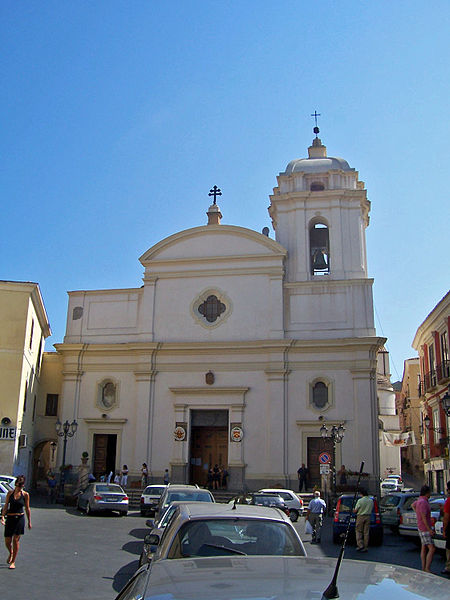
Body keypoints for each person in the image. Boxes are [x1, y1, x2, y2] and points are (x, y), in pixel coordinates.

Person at [1, 475, 32, 569]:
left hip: (19, 518)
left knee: (15, 540)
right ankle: (11, 552)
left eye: (20, 486)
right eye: (17, 486)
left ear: (23, 485)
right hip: (10, 519)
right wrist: (2, 516)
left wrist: (29, 521)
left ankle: (13, 561)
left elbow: (27, 508)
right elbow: (6, 506)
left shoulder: (25, 495)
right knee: (7, 541)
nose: (19, 488)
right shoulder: (10, 493)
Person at [412, 485, 435, 572]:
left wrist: (417, 513)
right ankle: (427, 568)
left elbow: (412, 505)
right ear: (427, 493)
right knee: (431, 548)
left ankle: (424, 567)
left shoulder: (419, 500)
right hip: (424, 527)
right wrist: (429, 529)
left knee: (424, 547)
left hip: (421, 526)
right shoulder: (423, 502)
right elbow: (424, 517)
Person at [354, 488, 373, 552]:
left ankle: (360, 545)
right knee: (366, 532)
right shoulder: (371, 501)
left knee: (359, 531)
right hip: (368, 516)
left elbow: (355, 510)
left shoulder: (360, 501)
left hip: (360, 516)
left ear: (362, 494)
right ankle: (366, 546)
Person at [442, 480, 450, 576]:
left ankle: (448, 567)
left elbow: (446, 517)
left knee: (449, 548)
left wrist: (444, 530)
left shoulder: (448, 501)